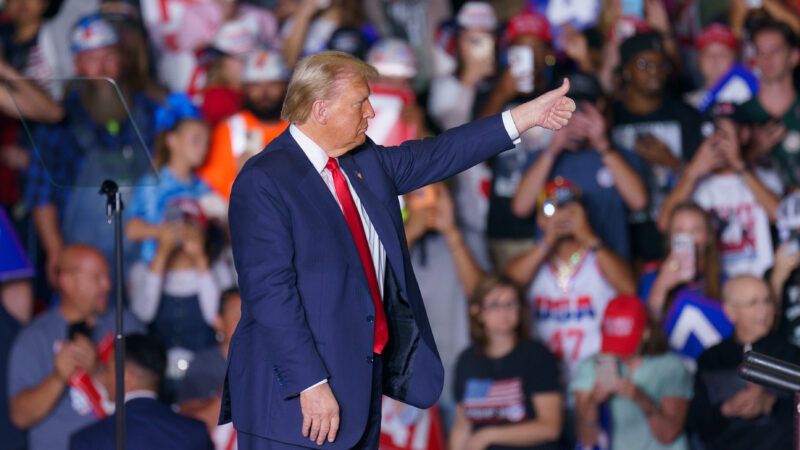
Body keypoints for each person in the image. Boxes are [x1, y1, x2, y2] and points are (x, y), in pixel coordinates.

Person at [221, 50, 575, 449]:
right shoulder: (265, 180)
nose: (371, 112)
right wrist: (310, 384)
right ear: (320, 110)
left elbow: (441, 153)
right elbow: (269, 294)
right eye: (360, 102)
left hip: (360, 387)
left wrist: (525, 117)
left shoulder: (363, 161)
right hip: (295, 401)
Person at [25, 13, 158, 287]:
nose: (102, 68)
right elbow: (41, 193)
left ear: (121, 58)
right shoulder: (61, 120)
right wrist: (55, 251)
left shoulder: (149, 111)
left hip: (147, 256)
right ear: (77, 63)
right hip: (84, 257)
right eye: (91, 59)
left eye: (108, 56)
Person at [7, 244, 144, 450]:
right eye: (97, 278)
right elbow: (20, 417)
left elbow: (149, 394)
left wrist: (97, 370)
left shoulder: (126, 325)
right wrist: (58, 378)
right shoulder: (35, 338)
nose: (107, 285)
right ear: (68, 282)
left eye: (107, 276)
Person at [506, 179, 636, 381]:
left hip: (596, 376)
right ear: (540, 218)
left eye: (570, 208)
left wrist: (589, 237)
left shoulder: (599, 257)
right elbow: (505, 286)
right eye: (551, 209)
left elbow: (629, 289)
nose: (562, 215)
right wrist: (547, 240)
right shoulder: (533, 262)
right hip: (544, 378)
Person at [512, 72, 648, 261]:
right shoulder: (541, 157)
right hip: (555, 276)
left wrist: (603, 146)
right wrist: (553, 149)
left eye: (582, 109)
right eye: (566, 109)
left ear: (599, 107)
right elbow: (521, 208)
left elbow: (639, 202)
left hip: (610, 272)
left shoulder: (620, 156)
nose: (574, 117)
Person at [609, 31, 703, 263]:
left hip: (675, 237)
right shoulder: (611, 118)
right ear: (626, 71)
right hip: (621, 241)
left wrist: (671, 161)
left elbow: (705, 182)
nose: (654, 71)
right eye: (644, 64)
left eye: (661, 64)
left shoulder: (687, 116)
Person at [449, 275, 562, 450]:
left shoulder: (537, 355)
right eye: (494, 305)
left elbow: (550, 428)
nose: (504, 312)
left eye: (510, 304)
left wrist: (487, 436)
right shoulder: (467, 360)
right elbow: (462, 424)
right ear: (477, 311)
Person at [688, 275, 800, 450]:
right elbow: (698, 425)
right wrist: (726, 410)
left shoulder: (792, 355)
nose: (764, 310)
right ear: (730, 312)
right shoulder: (711, 360)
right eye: (753, 303)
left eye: (767, 301)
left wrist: (770, 403)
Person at [659, 117, 780, 277]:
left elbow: (780, 216)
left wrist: (740, 166)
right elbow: (664, 224)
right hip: (711, 283)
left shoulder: (763, 176)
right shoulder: (691, 183)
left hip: (756, 281)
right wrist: (692, 173)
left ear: (742, 136)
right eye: (711, 137)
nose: (718, 144)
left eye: (724, 136)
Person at [571, 295, 692, 450]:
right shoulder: (593, 366)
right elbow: (587, 438)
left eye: (625, 342)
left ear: (646, 333)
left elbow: (667, 436)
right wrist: (594, 400)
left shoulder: (670, 367)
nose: (620, 353)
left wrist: (640, 398)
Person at [69, 333, 213, 450]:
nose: (105, 378)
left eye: (108, 369)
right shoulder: (194, 433)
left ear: (125, 376)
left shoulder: (87, 441)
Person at [642, 202, 733, 361]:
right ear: (670, 238)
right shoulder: (652, 279)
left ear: (708, 237)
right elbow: (645, 336)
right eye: (680, 231)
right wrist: (661, 287)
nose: (688, 239)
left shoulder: (725, 283)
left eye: (696, 230)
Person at [199, 48, 291, 200]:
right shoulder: (231, 128)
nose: (264, 92)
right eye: (256, 85)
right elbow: (214, 191)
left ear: (285, 86)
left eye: (272, 84)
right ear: (245, 88)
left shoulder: (300, 126)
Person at [734, 20, 800, 189]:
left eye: (775, 51)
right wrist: (754, 150)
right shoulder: (739, 114)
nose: (767, 58)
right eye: (760, 51)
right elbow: (723, 180)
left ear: (794, 56)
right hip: (756, 211)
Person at [179, 288, 242, 450]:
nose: (245, 322)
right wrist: (228, 393)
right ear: (218, 321)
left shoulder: (269, 360)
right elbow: (191, 421)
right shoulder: (203, 365)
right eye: (237, 315)